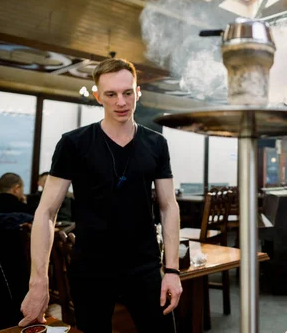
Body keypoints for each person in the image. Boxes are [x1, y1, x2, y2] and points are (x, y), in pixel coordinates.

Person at [19, 58, 182, 332]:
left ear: (137, 92)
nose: (121, 102)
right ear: (98, 96)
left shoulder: (156, 143)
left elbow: (168, 206)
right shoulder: (73, 143)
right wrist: (39, 283)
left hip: (144, 267)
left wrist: (173, 271)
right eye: (111, 94)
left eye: (127, 92)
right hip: (91, 268)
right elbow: (46, 213)